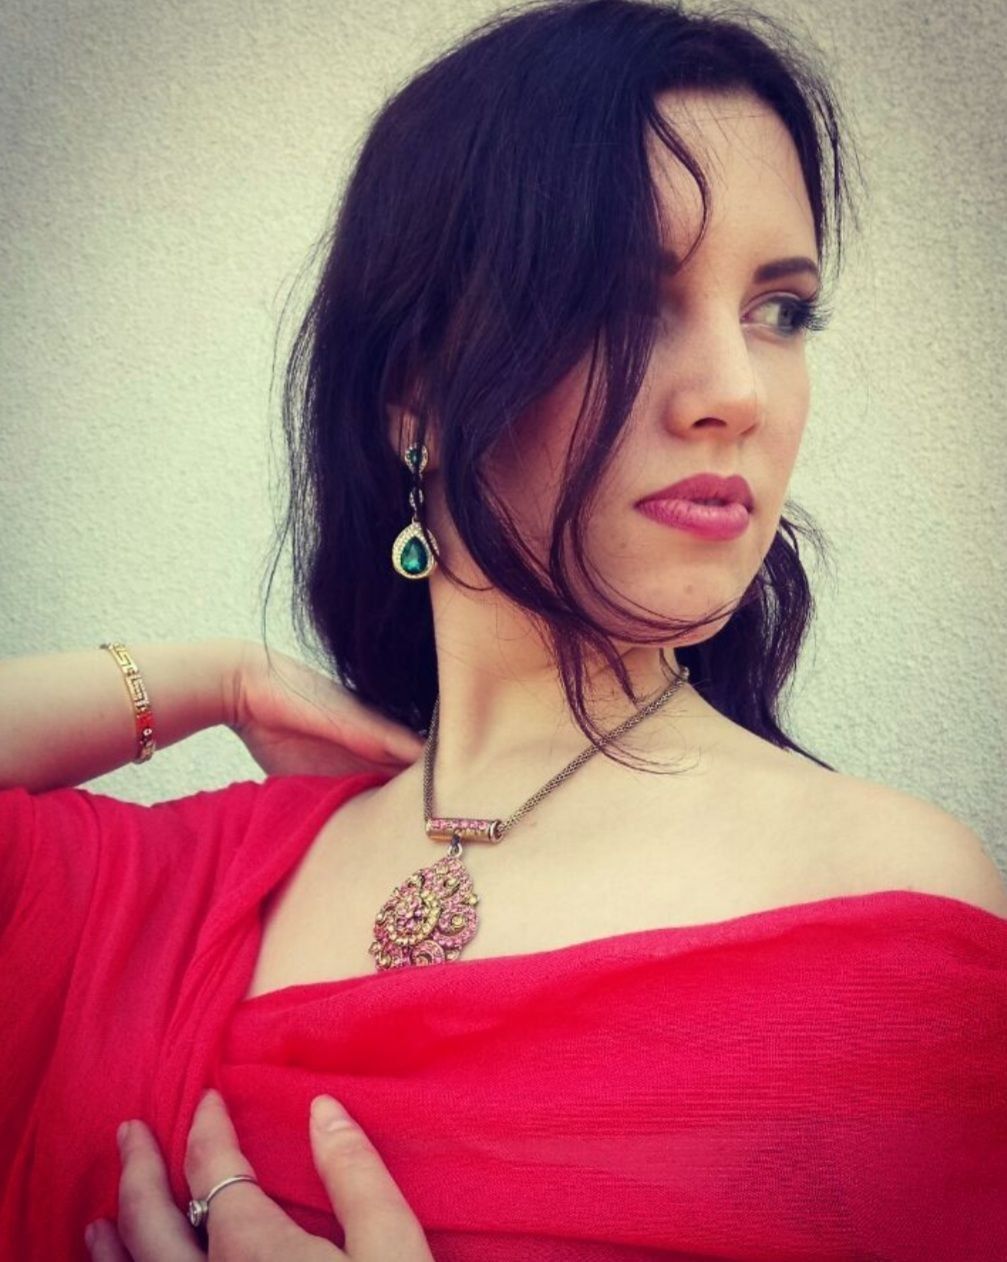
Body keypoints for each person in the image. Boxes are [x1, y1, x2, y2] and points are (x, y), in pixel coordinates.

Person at [2, 1, 1006, 1259]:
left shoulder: (883, 901)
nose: (737, 391)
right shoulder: (198, 879)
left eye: (780, 309)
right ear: (413, 385)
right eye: (622, 298)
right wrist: (212, 678)